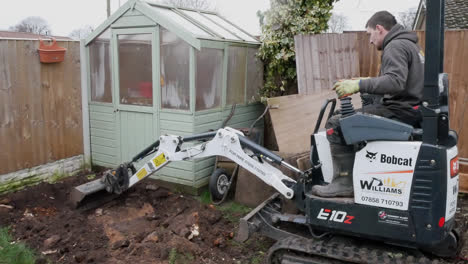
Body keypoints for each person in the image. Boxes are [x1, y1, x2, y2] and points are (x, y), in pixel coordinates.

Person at [311, 11, 425, 198]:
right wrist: (364, 82)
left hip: (400, 110)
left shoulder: (395, 46)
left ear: (379, 29)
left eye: (369, 34)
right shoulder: (411, 45)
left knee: (337, 123)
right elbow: (400, 81)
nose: (370, 41)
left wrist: (358, 85)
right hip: (410, 109)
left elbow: (395, 82)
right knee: (347, 115)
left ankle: (344, 182)